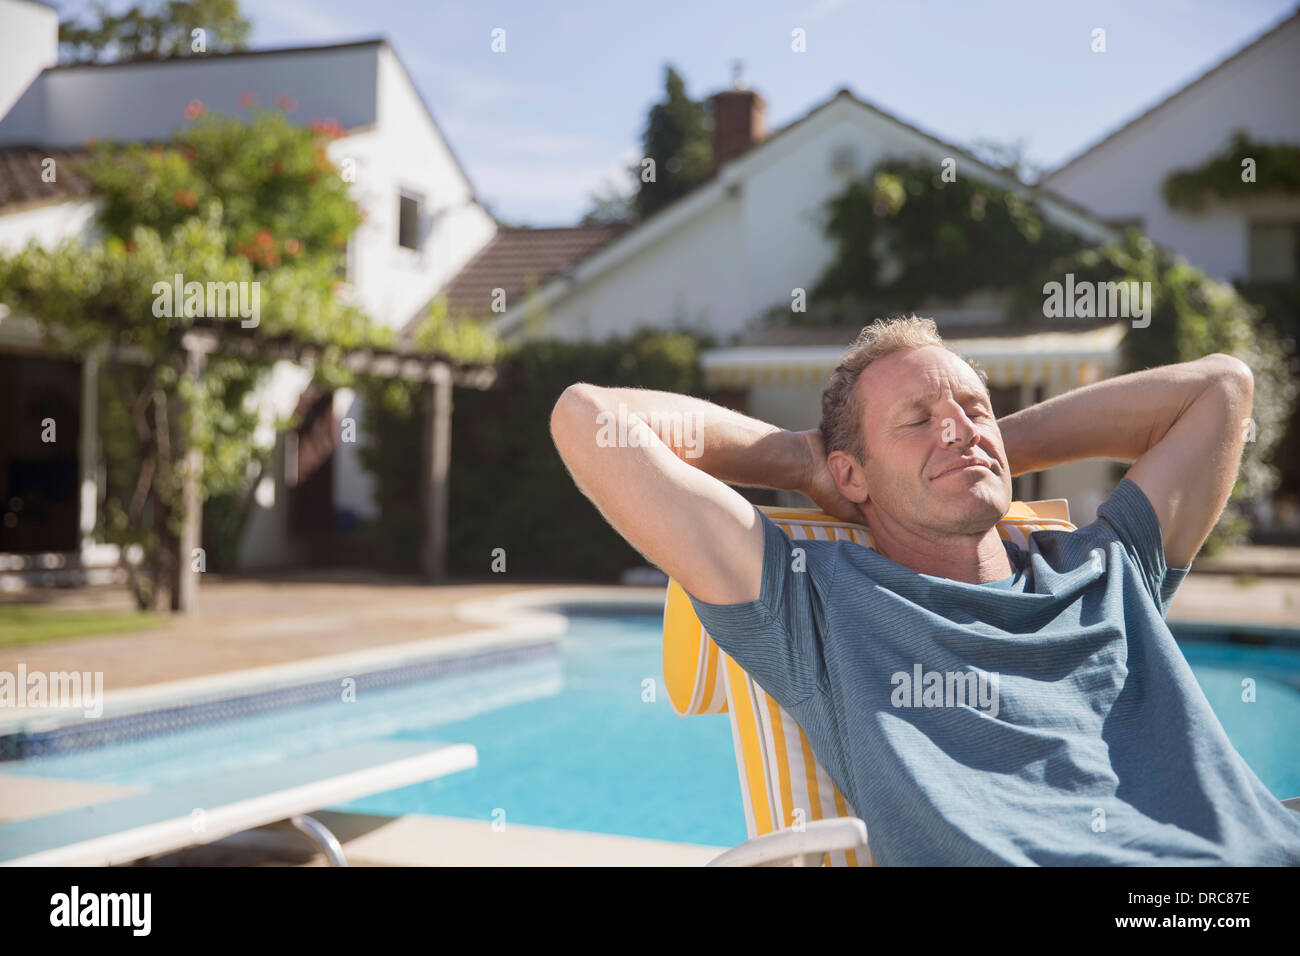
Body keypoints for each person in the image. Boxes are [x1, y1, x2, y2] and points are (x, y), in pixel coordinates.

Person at [549, 314, 1300, 865]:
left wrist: (975, 447)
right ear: (852, 475)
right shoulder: (817, 607)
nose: (957, 429)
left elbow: (1222, 390)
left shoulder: (1106, 565)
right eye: (915, 419)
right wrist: (808, 462)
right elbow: (589, 419)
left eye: (974, 409)